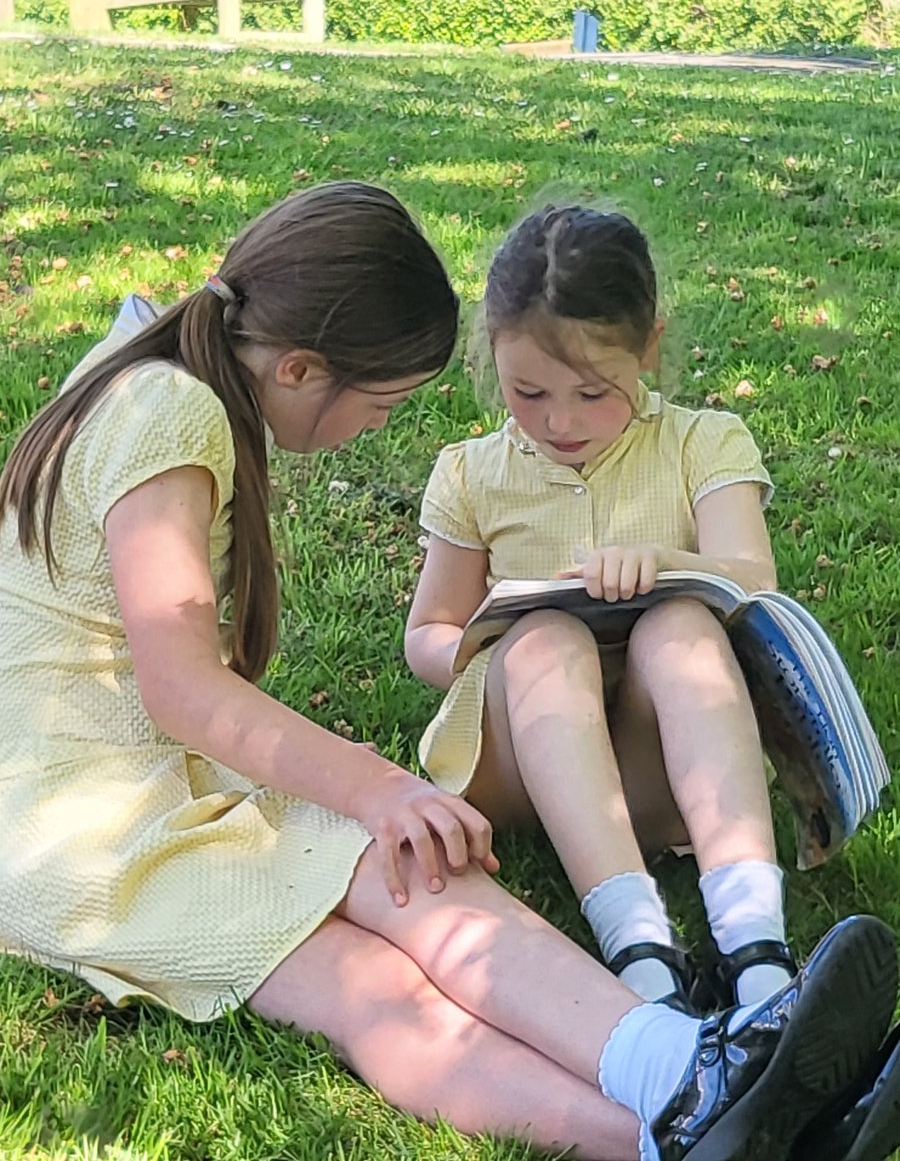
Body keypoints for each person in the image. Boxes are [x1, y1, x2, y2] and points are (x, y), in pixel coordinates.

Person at [0, 182, 896, 1161]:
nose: (378, 430)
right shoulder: (170, 414)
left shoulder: (160, 373)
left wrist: (375, 804)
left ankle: (696, 1074)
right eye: (379, 404)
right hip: (76, 831)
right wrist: (380, 785)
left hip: (164, 790)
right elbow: (181, 687)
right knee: (361, 980)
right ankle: (678, 1126)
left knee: (417, 880)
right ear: (301, 368)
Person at [404, 203, 851, 1014]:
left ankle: (756, 946)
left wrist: (668, 565)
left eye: (593, 391)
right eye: (528, 393)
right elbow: (425, 636)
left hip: (661, 762)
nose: (560, 421)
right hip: (519, 767)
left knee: (681, 625)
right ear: (491, 358)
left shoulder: (701, 443)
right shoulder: (470, 472)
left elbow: (755, 581)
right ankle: (639, 948)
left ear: (649, 347)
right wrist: (482, 637)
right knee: (545, 642)